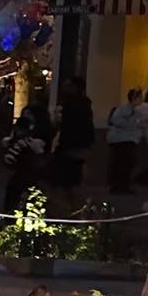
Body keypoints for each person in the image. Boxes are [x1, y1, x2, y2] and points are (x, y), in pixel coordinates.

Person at [52, 77, 95, 211]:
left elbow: (72, 127)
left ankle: (72, 208)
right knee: (71, 178)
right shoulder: (81, 104)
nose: (65, 88)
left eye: (69, 85)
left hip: (72, 145)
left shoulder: (75, 105)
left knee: (68, 179)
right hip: (75, 145)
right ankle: (73, 208)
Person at [106, 88, 144, 194]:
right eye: (140, 97)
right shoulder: (125, 109)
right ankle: (119, 186)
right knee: (123, 164)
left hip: (128, 140)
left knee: (126, 164)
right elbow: (117, 121)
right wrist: (130, 123)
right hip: (122, 140)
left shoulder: (135, 111)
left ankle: (121, 186)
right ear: (134, 98)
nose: (142, 100)